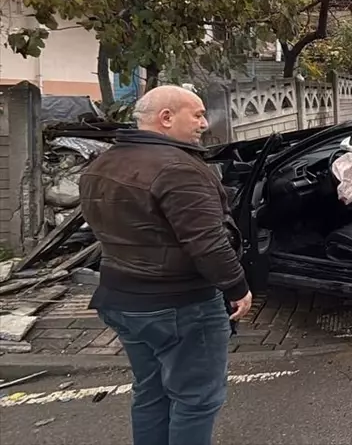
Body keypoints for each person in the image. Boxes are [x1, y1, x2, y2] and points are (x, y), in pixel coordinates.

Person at [80, 85, 254, 445]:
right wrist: (237, 287)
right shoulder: (179, 169)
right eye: (198, 115)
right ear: (166, 117)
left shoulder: (104, 162)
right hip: (179, 305)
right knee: (197, 399)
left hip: (121, 299)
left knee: (151, 392)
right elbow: (208, 243)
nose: (204, 124)